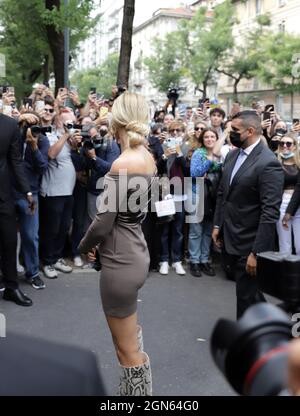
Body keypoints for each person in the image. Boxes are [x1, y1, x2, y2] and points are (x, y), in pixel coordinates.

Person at [78, 92, 156, 396]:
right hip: (136, 251)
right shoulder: (146, 157)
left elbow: (102, 222)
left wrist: (83, 246)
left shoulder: (123, 163)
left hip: (120, 262)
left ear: (117, 119)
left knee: (127, 352)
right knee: (131, 343)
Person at [212, 110, 284, 319]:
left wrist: (257, 252)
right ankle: (274, 326)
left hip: (251, 243)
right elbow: (223, 193)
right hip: (230, 236)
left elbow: (270, 211)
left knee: (246, 295)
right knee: (250, 294)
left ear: (250, 131)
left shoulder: (268, 162)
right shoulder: (233, 154)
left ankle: (246, 342)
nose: (230, 133)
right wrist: (218, 225)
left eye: (235, 130)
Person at [0, 112, 34, 306]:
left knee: (10, 240)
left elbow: (16, 161)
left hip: (3, 194)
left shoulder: (10, 125)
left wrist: (27, 191)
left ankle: (12, 288)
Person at [189, 128, 222, 277]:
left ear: (217, 139)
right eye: (206, 137)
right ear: (203, 140)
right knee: (196, 230)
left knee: (208, 231)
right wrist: (210, 160)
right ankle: (194, 261)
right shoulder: (199, 153)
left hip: (213, 197)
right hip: (198, 194)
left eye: (212, 136)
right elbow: (195, 174)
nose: (209, 139)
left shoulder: (222, 154)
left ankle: (204, 260)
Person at [276, 135, 300, 255]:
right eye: (282, 143)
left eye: (289, 143)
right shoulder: (275, 164)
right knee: (285, 245)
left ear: (295, 146)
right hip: (282, 204)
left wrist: (290, 211)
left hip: (298, 204)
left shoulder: (299, 165)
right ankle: (285, 272)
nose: (285, 146)